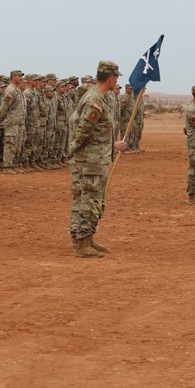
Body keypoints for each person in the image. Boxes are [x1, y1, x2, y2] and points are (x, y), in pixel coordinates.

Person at [69, 60, 127, 258]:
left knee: (95, 200)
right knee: (90, 201)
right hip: (91, 161)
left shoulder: (97, 97)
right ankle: (83, 243)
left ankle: (88, 238)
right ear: (111, 79)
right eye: (116, 78)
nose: (116, 81)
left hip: (97, 158)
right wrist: (74, 150)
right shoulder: (95, 100)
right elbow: (84, 129)